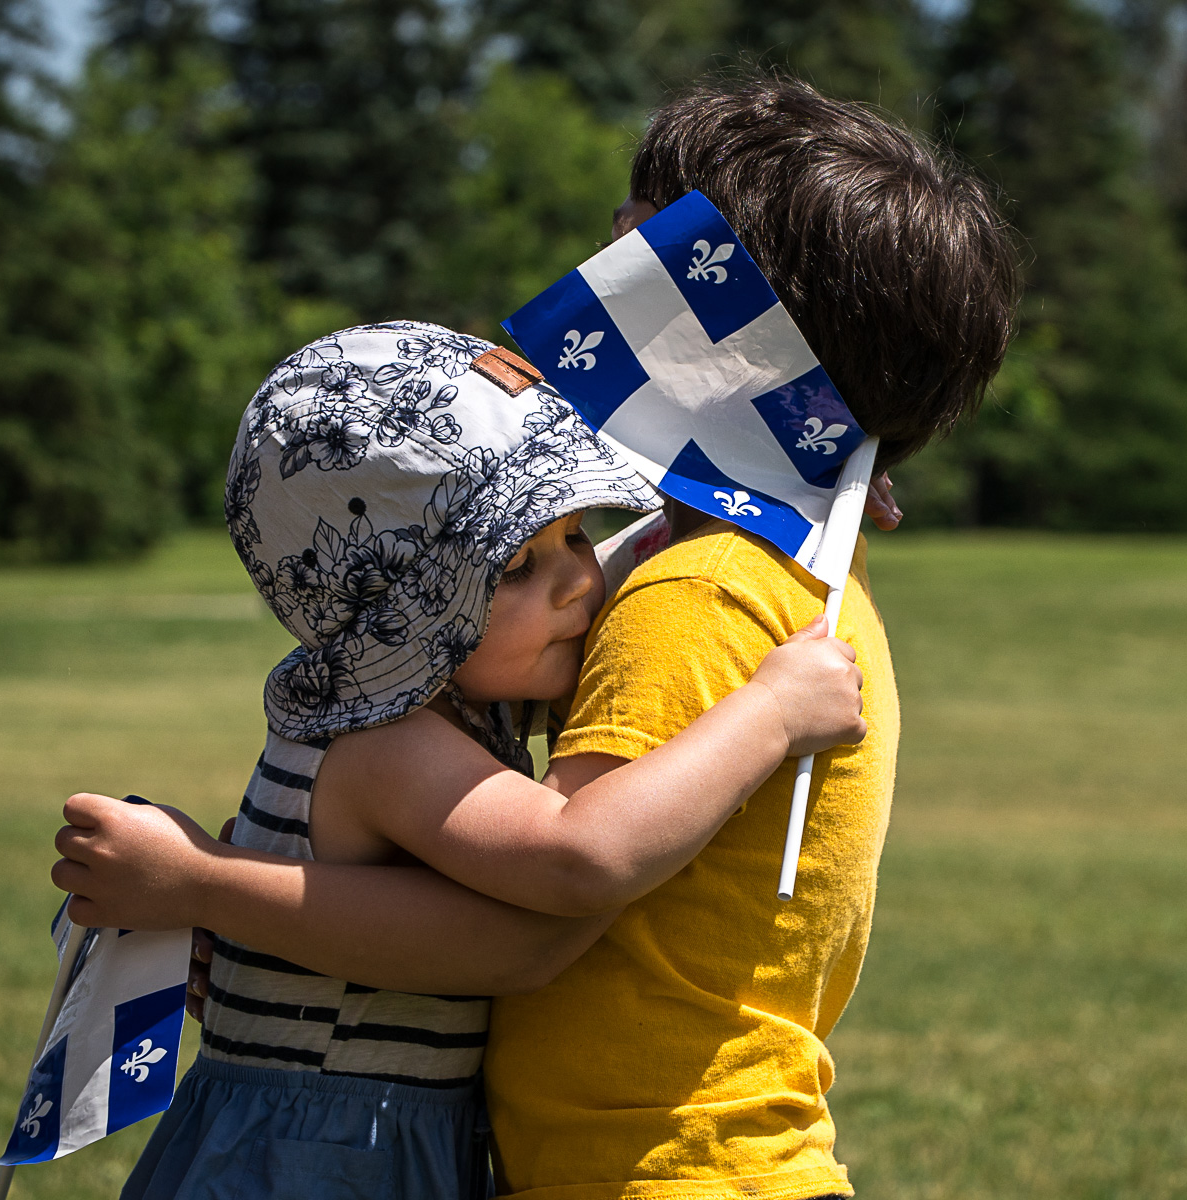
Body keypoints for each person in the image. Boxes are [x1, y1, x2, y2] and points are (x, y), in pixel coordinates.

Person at [55, 72, 1019, 1200]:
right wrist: (226, 892)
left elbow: (570, 874)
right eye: (525, 554)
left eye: (643, 258)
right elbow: (552, 889)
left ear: (742, 349)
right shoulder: (707, 582)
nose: (595, 281)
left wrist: (214, 886)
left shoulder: (698, 591)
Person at [56, 321, 871, 1199]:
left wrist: (813, 473)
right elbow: (572, 862)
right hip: (315, 1158)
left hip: (369, 1140)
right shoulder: (388, 745)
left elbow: (577, 576)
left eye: (573, 535)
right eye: (519, 562)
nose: (578, 582)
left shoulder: (438, 693)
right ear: (403, 617)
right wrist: (771, 713)